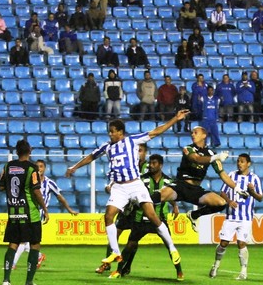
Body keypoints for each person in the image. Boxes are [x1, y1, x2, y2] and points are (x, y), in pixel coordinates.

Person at [66, 112, 189, 268]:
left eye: (112, 131)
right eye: (109, 132)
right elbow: (91, 156)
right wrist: (74, 167)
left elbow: (156, 131)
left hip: (135, 184)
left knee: (152, 215)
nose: (110, 134)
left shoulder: (132, 141)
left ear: (120, 132)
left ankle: (172, 247)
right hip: (119, 187)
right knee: (108, 215)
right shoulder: (107, 147)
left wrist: (174, 119)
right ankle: (116, 252)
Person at [150, 126, 246, 231]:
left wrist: (237, 189)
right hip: (180, 186)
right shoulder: (188, 148)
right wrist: (216, 157)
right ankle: (134, 210)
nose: (192, 135)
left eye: (195, 132)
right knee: (156, 197)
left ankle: (194, 215)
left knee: (221, 203)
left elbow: (222, 173)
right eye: (192, 133)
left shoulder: (211, 154)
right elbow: (196, 159)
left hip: (195, 190)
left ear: (204, 135)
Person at [110, 154, 184, 281]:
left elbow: (170, 195)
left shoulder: (168, 181)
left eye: (154, 163)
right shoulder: (140, 180)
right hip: (141, 218)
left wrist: (175, 206)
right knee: (130, 245)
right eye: (150, 163)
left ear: (160, 165)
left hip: (159, 219)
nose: (150, 165)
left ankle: (179, 272)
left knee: (170, 246)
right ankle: (119, 270)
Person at [0, 139, 49, 285]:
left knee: (13, 244)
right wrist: (44, 208)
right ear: (30, 151)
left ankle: (6, 281)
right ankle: (29, 283)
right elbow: (36, 190)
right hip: (30, 213)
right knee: (35, 244)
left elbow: (1, 187)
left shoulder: (8, 166)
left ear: (17, 151)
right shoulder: (32, 168)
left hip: (14, 212)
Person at [12, 159, 78, 270]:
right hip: (27, 211)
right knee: (26, 239)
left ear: (45, 168)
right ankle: (38, 256)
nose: (39, 169)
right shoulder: (30, 181)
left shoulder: (49, 183)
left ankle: (12, 264)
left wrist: (69, 210)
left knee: (23, 239)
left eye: (41, 166)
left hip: (39, 213)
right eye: (37, 166)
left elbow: (59, 197)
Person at [209, 154, 263, 280]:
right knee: (223, 243)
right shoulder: (232, 175)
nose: (239, 163)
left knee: (241, 243)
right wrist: (229, 201)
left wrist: (252, 192)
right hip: (231, 216)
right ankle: (215, 266)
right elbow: (222, 192)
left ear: (248, 163)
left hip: (245, 217)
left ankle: (243, 271)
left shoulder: (254, 179)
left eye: (242, 161)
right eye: (238, 161)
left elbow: (260, 198)